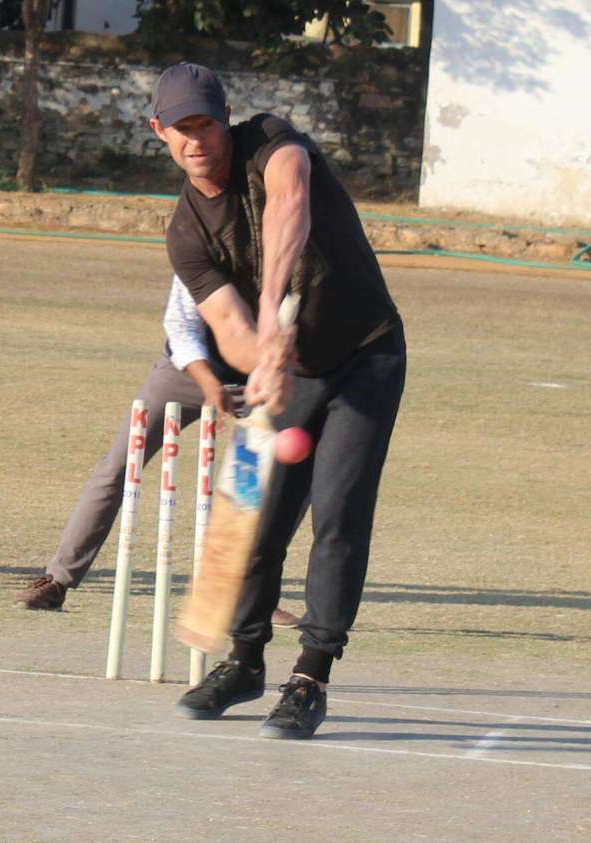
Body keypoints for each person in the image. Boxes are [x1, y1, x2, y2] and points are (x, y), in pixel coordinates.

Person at [149, 63, 407, 739]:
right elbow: (226, 325)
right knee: (255, 522)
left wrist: (272, 307)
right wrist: (263, 359)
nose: (196, 139)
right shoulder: (185, 233)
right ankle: (244, 661)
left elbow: (291, 199)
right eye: (181, 128)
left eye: (205, 123)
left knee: (338, 513)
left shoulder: (270, 139)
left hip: (367, 353)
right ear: (159, 131)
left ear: (225, 118)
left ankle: (310, 676)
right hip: (293, 373)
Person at [14, 274, 300, 629]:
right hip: (186, 371)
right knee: (118, 466)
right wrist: (210, 384)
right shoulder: (206, 245)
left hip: (260, 382)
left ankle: (253, 598)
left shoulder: (300, 257)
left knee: (268, 486)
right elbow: (181, 327)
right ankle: (57, 581)